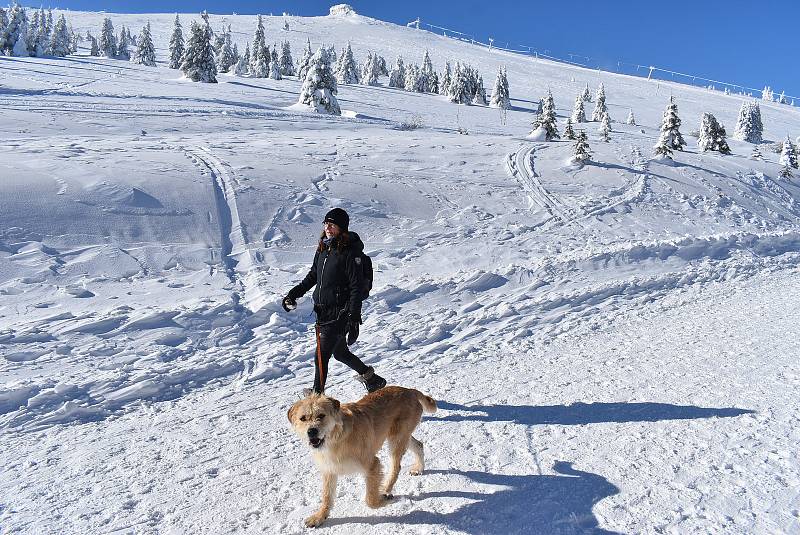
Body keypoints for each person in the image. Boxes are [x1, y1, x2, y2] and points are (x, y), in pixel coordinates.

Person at [282, 208, 387, 395]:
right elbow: (313, 275)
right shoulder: (324, 247)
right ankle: (373, 380)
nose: (328, 227)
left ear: (342, 228)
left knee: (321, 356)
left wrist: (354, 316)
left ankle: (317, 395)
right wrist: (293, 293)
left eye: (333, 224)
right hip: (323, 311)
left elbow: (356, 287)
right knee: (340, 353)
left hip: (341, 313)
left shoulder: (348, 253)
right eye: (326, 223)